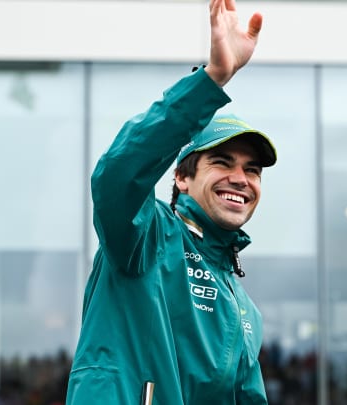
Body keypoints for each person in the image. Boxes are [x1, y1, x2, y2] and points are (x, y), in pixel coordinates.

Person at [65, 0, 275, 403]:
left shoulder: (245, 309)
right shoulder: (147, 236)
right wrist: (211, 81)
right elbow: (118, 175)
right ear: (181, 177)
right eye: (222, 161)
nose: (240, 179)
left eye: (252, 170)